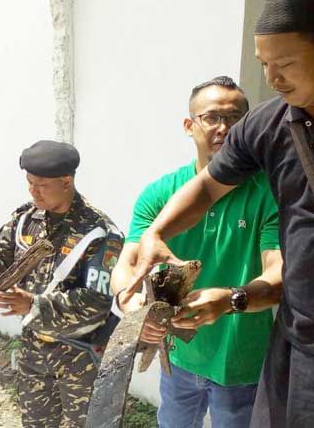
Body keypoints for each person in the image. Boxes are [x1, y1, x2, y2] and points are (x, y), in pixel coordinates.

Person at [125, 0, 314, 426]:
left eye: (284, 64)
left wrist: (233, 299)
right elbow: (207, 189)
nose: (272, 79)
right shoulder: (269, 123)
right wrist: (157, 233)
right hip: (298, 339)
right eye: (264, 65)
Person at [111, 77, 283, 428]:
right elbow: (126, 265)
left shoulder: (269, 193)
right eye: (212, 117)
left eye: (235, 118)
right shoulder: (161, 194)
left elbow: (278, 275)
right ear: (189, 125)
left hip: (241, 363)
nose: (223, 128)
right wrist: (132, 311)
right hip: (178, 357)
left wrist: (229, 299)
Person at [0, 140, 124, 428]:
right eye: (29, 183)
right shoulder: (27, 219)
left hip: (80, 354)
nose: (33, 191)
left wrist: (34, 305)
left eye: (41, 185)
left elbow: (96, 301)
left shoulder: (99, 232)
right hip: (34, 351)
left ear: (66, 182)